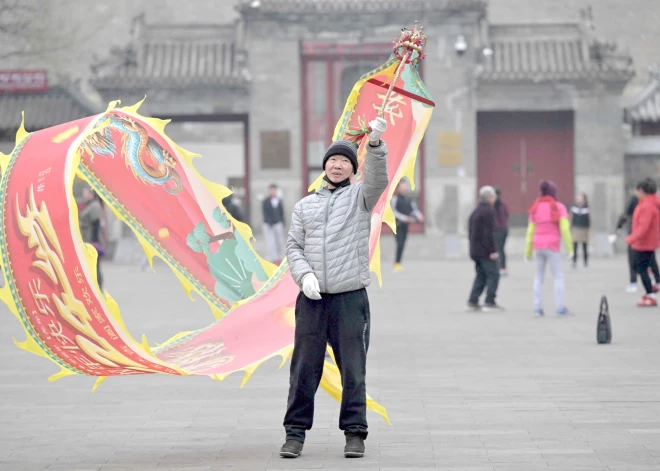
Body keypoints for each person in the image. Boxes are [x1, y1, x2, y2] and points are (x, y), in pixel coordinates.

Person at [280, 116, 388, 459]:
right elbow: (293, 246)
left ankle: (354, 433)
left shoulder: (360, 197)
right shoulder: (305, 205)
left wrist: (374, 144)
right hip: (312, 300)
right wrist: (304, 276)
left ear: (352, 168)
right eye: (332, 160)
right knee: (304, 370)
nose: (338, 165)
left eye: (344, 161)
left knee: (353, 369)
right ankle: (294, 434)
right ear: (324, 166)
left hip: (349, 298)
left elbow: (377, 179)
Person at [525, 180, 574, 316]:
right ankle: (559, 308)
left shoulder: (534, 207)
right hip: (552, 246)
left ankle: (537, 308)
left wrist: (527, 252)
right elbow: (565, 229)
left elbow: (530, 231)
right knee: (557, 276)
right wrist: (570, 249)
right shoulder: (559, 207)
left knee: (538, 277)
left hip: (537, 245)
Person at [616, 190, 660, 293]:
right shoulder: (654, 202)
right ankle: (657, 281)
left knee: (636, 262)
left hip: (638, 237)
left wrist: (627, 235)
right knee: (651, 261)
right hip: (650, 238)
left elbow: (641, 226)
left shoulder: (643, 204)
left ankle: (635, 284)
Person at [467, 186, 502, 311]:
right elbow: (489, 233)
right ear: (490, 198)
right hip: (485, 251)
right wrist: (493, 251)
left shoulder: (476, 211)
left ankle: (473, 300)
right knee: (494, 275)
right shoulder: (489, 212)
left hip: (475, 250)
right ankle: (490, 301)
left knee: (481, 275)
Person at [626, 178, 660, 307]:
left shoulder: (647, 206)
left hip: (643, 243)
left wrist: (631, 238)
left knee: (641, 268)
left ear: (641, 190)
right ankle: (652, 288)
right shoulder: (649, 203)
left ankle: (650, 295)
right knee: (646, 266)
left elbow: (643, 226)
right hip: (647, 242)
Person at [390, 179, 423, 272]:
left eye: (405, 186)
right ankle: (396, 263)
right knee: (399, 243)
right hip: (397, 225)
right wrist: (402, 217)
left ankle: (398, 263)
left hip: (405, 225)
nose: (404, 188)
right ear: (398, 188)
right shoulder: (395, 199)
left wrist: (419, 215)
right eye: (402, 186)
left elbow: (413, 209)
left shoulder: (409, 199)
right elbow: (393, 211)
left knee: (403, 244)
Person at [79, 187, 106, 291]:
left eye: (85, 193)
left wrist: (95, 243)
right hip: (88, 241)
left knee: (95, 267)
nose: (84, 195)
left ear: (92, 194)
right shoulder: (91, 206)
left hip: (92, 242)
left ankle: (99, 289)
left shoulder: (94, 207)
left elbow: (96, 225)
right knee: (92, 267)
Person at [262, 184, 286, 263]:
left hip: (278, 223)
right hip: (269, 224)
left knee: (279, 241)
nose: (272, 192)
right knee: (271, 241)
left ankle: (279, 257)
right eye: (271, 190)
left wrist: (282, 222)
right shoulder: (265, 201)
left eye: (274, 190)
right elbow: (265, 213)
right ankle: (272, 257)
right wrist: (269, 222)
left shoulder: (279, 200)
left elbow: (281, 212)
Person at [570, 192, 591, 268]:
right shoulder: (574, 207)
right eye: (578, 198)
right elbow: (571, 219)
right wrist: (570, 228)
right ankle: (574, 262)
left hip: (584, 229)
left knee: (584, 247)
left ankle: (585, 262)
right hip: (576, 228)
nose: (579, 199)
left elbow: (589, 219)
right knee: (575, 247)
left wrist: (589, 229)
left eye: (581, 198)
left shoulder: (586, 208)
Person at [493, 188, 509, 276]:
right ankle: (503, 268)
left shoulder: (493, 205)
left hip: (497, 229)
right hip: (504, 229)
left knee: (497, 249)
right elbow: (507, 215)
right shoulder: (503, 205)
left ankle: (499, 267)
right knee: (501, 249)